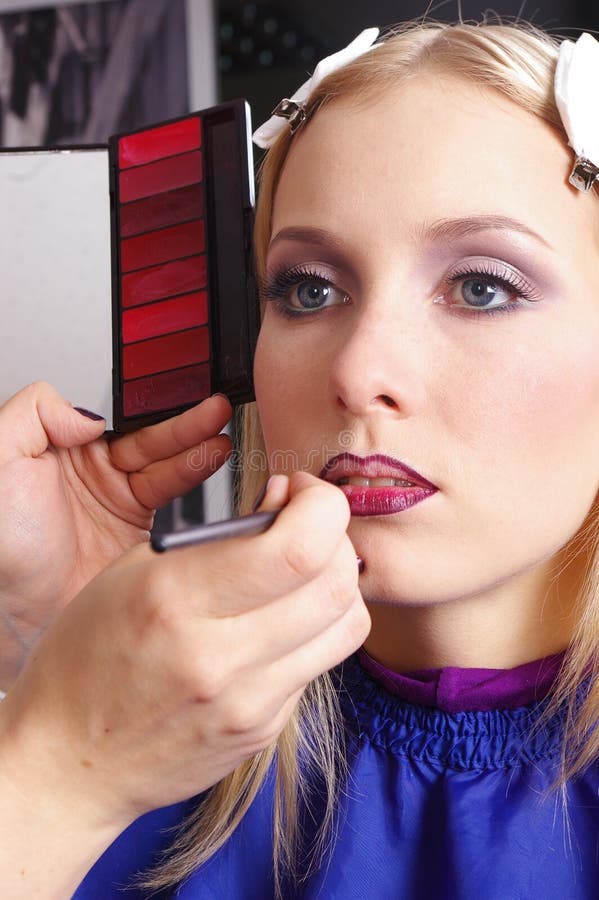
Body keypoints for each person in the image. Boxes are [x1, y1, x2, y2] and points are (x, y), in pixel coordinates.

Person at [1, 16, 599, 899]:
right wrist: (40, 682)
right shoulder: (133, 750)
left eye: (482, 287)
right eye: (307, 289)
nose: (358, 373)